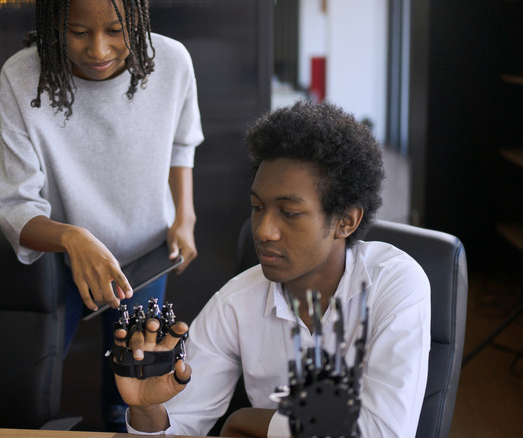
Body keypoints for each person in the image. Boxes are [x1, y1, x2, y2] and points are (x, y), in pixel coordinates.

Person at [113, 101, 431, 437]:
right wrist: (147, 409)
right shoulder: (235, 303)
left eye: (289, 212)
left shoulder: (395, 284)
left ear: (345, 221)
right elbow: (178, 428)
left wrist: (249, 420)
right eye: (257, 207)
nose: (263, 231)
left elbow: (384, 433)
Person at [0, 0, 203, 430]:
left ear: (138, 20)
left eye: (116, 31)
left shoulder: (173, 62)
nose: (99, 50)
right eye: (79, 32)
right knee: (21, 395)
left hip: (144, 257)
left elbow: (182, 142)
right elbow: (13, 205)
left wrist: (184, 216)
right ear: (53, 23)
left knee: (130, 398)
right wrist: (73, 239)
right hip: (56, 259)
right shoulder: (21, 75)